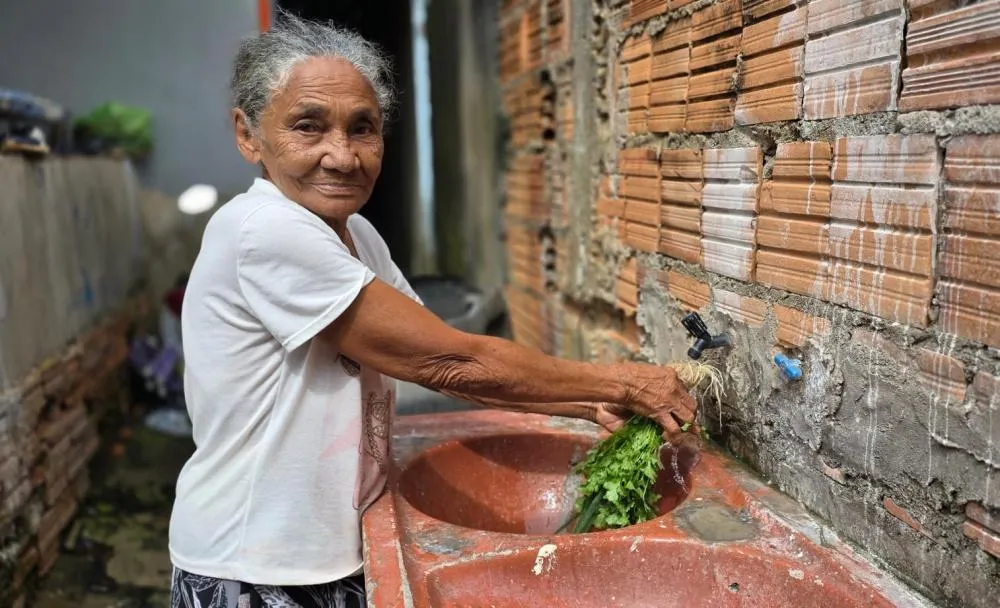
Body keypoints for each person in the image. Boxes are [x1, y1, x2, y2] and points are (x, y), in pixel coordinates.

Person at [169, 11, 698, 608]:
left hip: (321, 554)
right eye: (308, 127)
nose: (342, 156)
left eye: (362, 130)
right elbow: (449, 362)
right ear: (248, 135)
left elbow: (436, 355)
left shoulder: (355, 232)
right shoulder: (263, 229)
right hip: (255, 564)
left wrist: (585, 404)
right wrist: (623, 384)